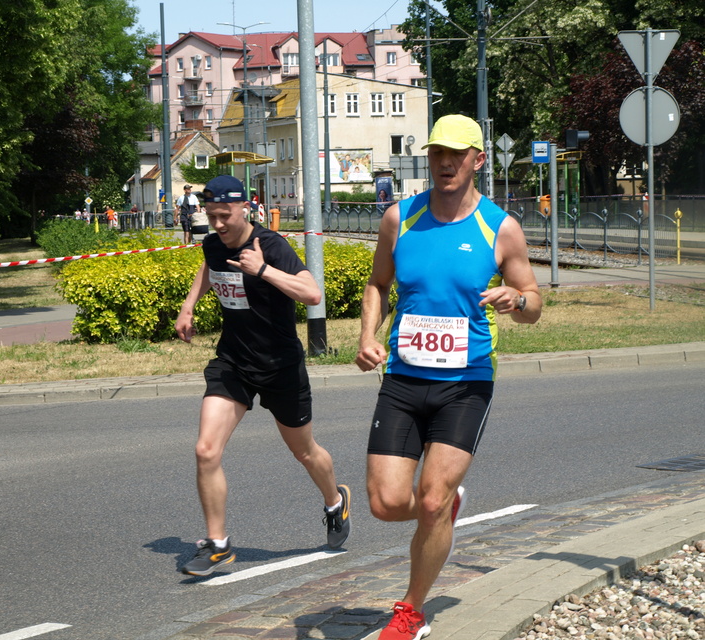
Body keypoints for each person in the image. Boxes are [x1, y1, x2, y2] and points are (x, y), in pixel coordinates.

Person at [355, 114, 542, 639]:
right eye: (437, 152)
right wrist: (367, 336)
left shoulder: (499, 227)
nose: (444, 162)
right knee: (387, 504)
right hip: (402, 378)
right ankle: (447, 504)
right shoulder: (400, 218)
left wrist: (517, 299)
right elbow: (378, 283)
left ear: (477, 160)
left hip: (467, 382)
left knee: (430, 501)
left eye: (456, 154)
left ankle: (410, 612)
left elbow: (534, 304)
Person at [174, 175, 351, 577]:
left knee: (304, 452)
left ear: (245, 209)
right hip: (233, 362)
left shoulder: (271, 246)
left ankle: (335, 501)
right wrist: (188, 307)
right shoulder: (213, 242)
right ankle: (218, 545)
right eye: (212, 216)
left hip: (280, 366)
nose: (218, 224)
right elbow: (209, 267)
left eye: (225, 216)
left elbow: (311, 294)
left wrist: (264, 269)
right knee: (206, 449)